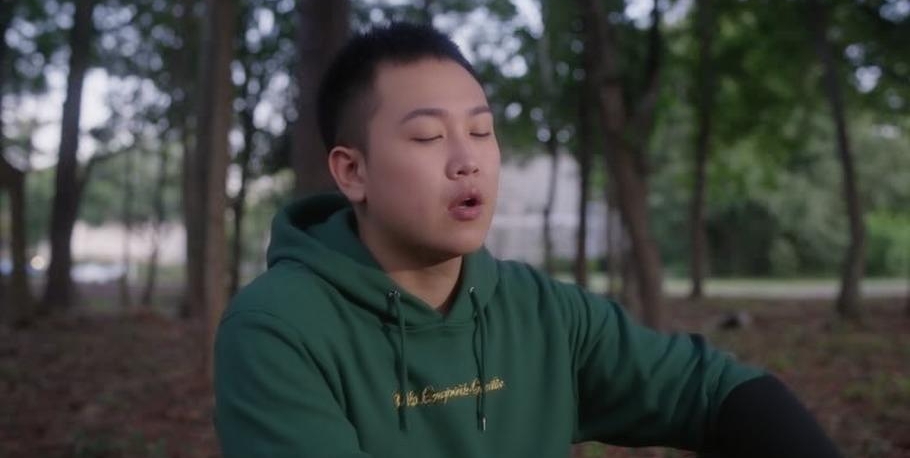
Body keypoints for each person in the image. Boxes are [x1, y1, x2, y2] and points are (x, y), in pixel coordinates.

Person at [213, 22, 843, 458]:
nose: (467, 160)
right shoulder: (278, 328)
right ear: (352, 171)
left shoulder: (545, 313)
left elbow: (713, 391)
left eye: (481, 132)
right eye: (429, 137)